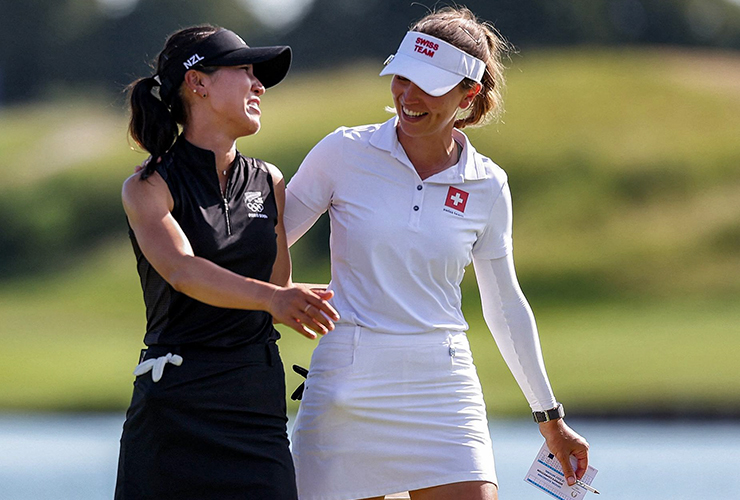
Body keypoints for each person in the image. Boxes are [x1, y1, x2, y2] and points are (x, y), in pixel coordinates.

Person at [284, 7, 589, 500]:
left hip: (443, 385)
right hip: (347, 381)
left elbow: (504, 304)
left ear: (469, 93)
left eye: (427, 84)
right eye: (401, 78)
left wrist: (549, 416)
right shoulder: (342, 152)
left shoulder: (488, 184)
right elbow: (264, 243)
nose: (407, 96)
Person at [115, 25, 338, 499]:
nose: (259, 86)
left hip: (255, 403)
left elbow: (282, 287)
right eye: (245, 72)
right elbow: (181, 270)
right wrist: (276, 298)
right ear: (198, 83)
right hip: (176, 404)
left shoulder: (269, 180)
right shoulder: (148, 186)